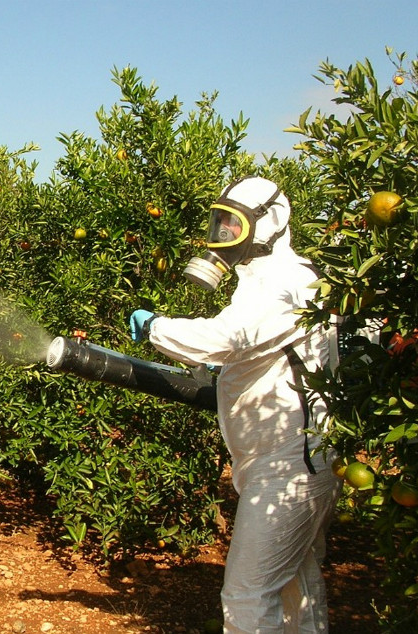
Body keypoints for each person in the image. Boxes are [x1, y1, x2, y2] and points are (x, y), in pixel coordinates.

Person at [129, 176, 340, 633]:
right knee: (295, 588)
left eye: (234, 222)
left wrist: (157, 328)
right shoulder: (264, 281)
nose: (224, 233)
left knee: (247, 595)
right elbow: (257, 356)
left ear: (272, 221)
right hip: (283, 459)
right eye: (219, 221)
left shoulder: (287, 282)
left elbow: (230, 338)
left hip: (289, 465)